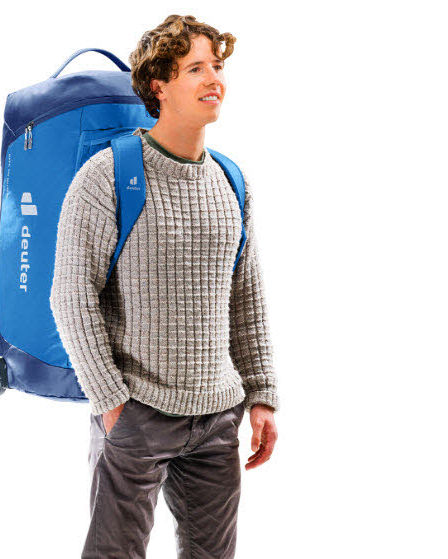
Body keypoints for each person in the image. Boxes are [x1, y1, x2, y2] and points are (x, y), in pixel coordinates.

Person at [49, 14, 280, 559]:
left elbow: (246, 297)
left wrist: (262, 396)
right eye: (195, 68)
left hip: (218, 417)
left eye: (217, 66)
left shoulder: (231, 181)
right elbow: (71, 296)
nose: (213, 79)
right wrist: (111, 403)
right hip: (137, 411)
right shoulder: (106, 176)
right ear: (159, 86)